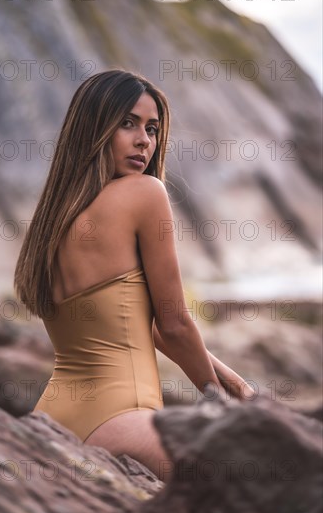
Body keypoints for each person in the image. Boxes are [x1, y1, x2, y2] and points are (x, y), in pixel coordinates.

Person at [14, 69, 255, 483]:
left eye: (153, 128)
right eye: (127, 123)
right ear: (94, 127)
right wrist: (222, 405)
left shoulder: (54, 222)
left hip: (53, 419)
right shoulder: (145, 193)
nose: (144, 139)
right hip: (119, 418)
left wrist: (233, 382)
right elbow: (175, 323)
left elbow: (142, 325)